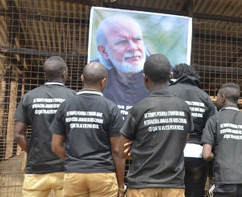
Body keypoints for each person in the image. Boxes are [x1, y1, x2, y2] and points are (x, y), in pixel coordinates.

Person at [120, 54, 193, 197]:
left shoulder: (138, 108)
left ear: (144, 78)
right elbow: (181, 144)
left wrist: (138, 148)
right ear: (170, 75)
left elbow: (121, 151)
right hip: (174, 186)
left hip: (141, 186)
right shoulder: (183, 108)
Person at [50, 62, 125, 197]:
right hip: (102, 174)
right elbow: (117, 150)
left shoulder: (66, 105)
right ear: (104, 82)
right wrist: (120, 186)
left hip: (73, 175)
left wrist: (75, 162)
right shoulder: (111, 108)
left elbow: (56, 146)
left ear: (82, 78)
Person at [13, 56, 75, 197]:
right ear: (64, 73)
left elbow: (18, 134)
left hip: (36, 169)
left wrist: (33, 151)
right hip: (65, 168)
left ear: (45, 74)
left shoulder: (29, 97)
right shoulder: (74, 98)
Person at [168, 63, 216, 197]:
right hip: (198, 155)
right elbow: (212, 128)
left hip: (170, 154)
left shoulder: (168, 93)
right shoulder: (205, 97)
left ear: (174, 76)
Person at [95, 15, 150, 119]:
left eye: (137, 39)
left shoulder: (162, 74)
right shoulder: (96, 76)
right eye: (122, 42)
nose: (133, 48)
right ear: (103, 51)